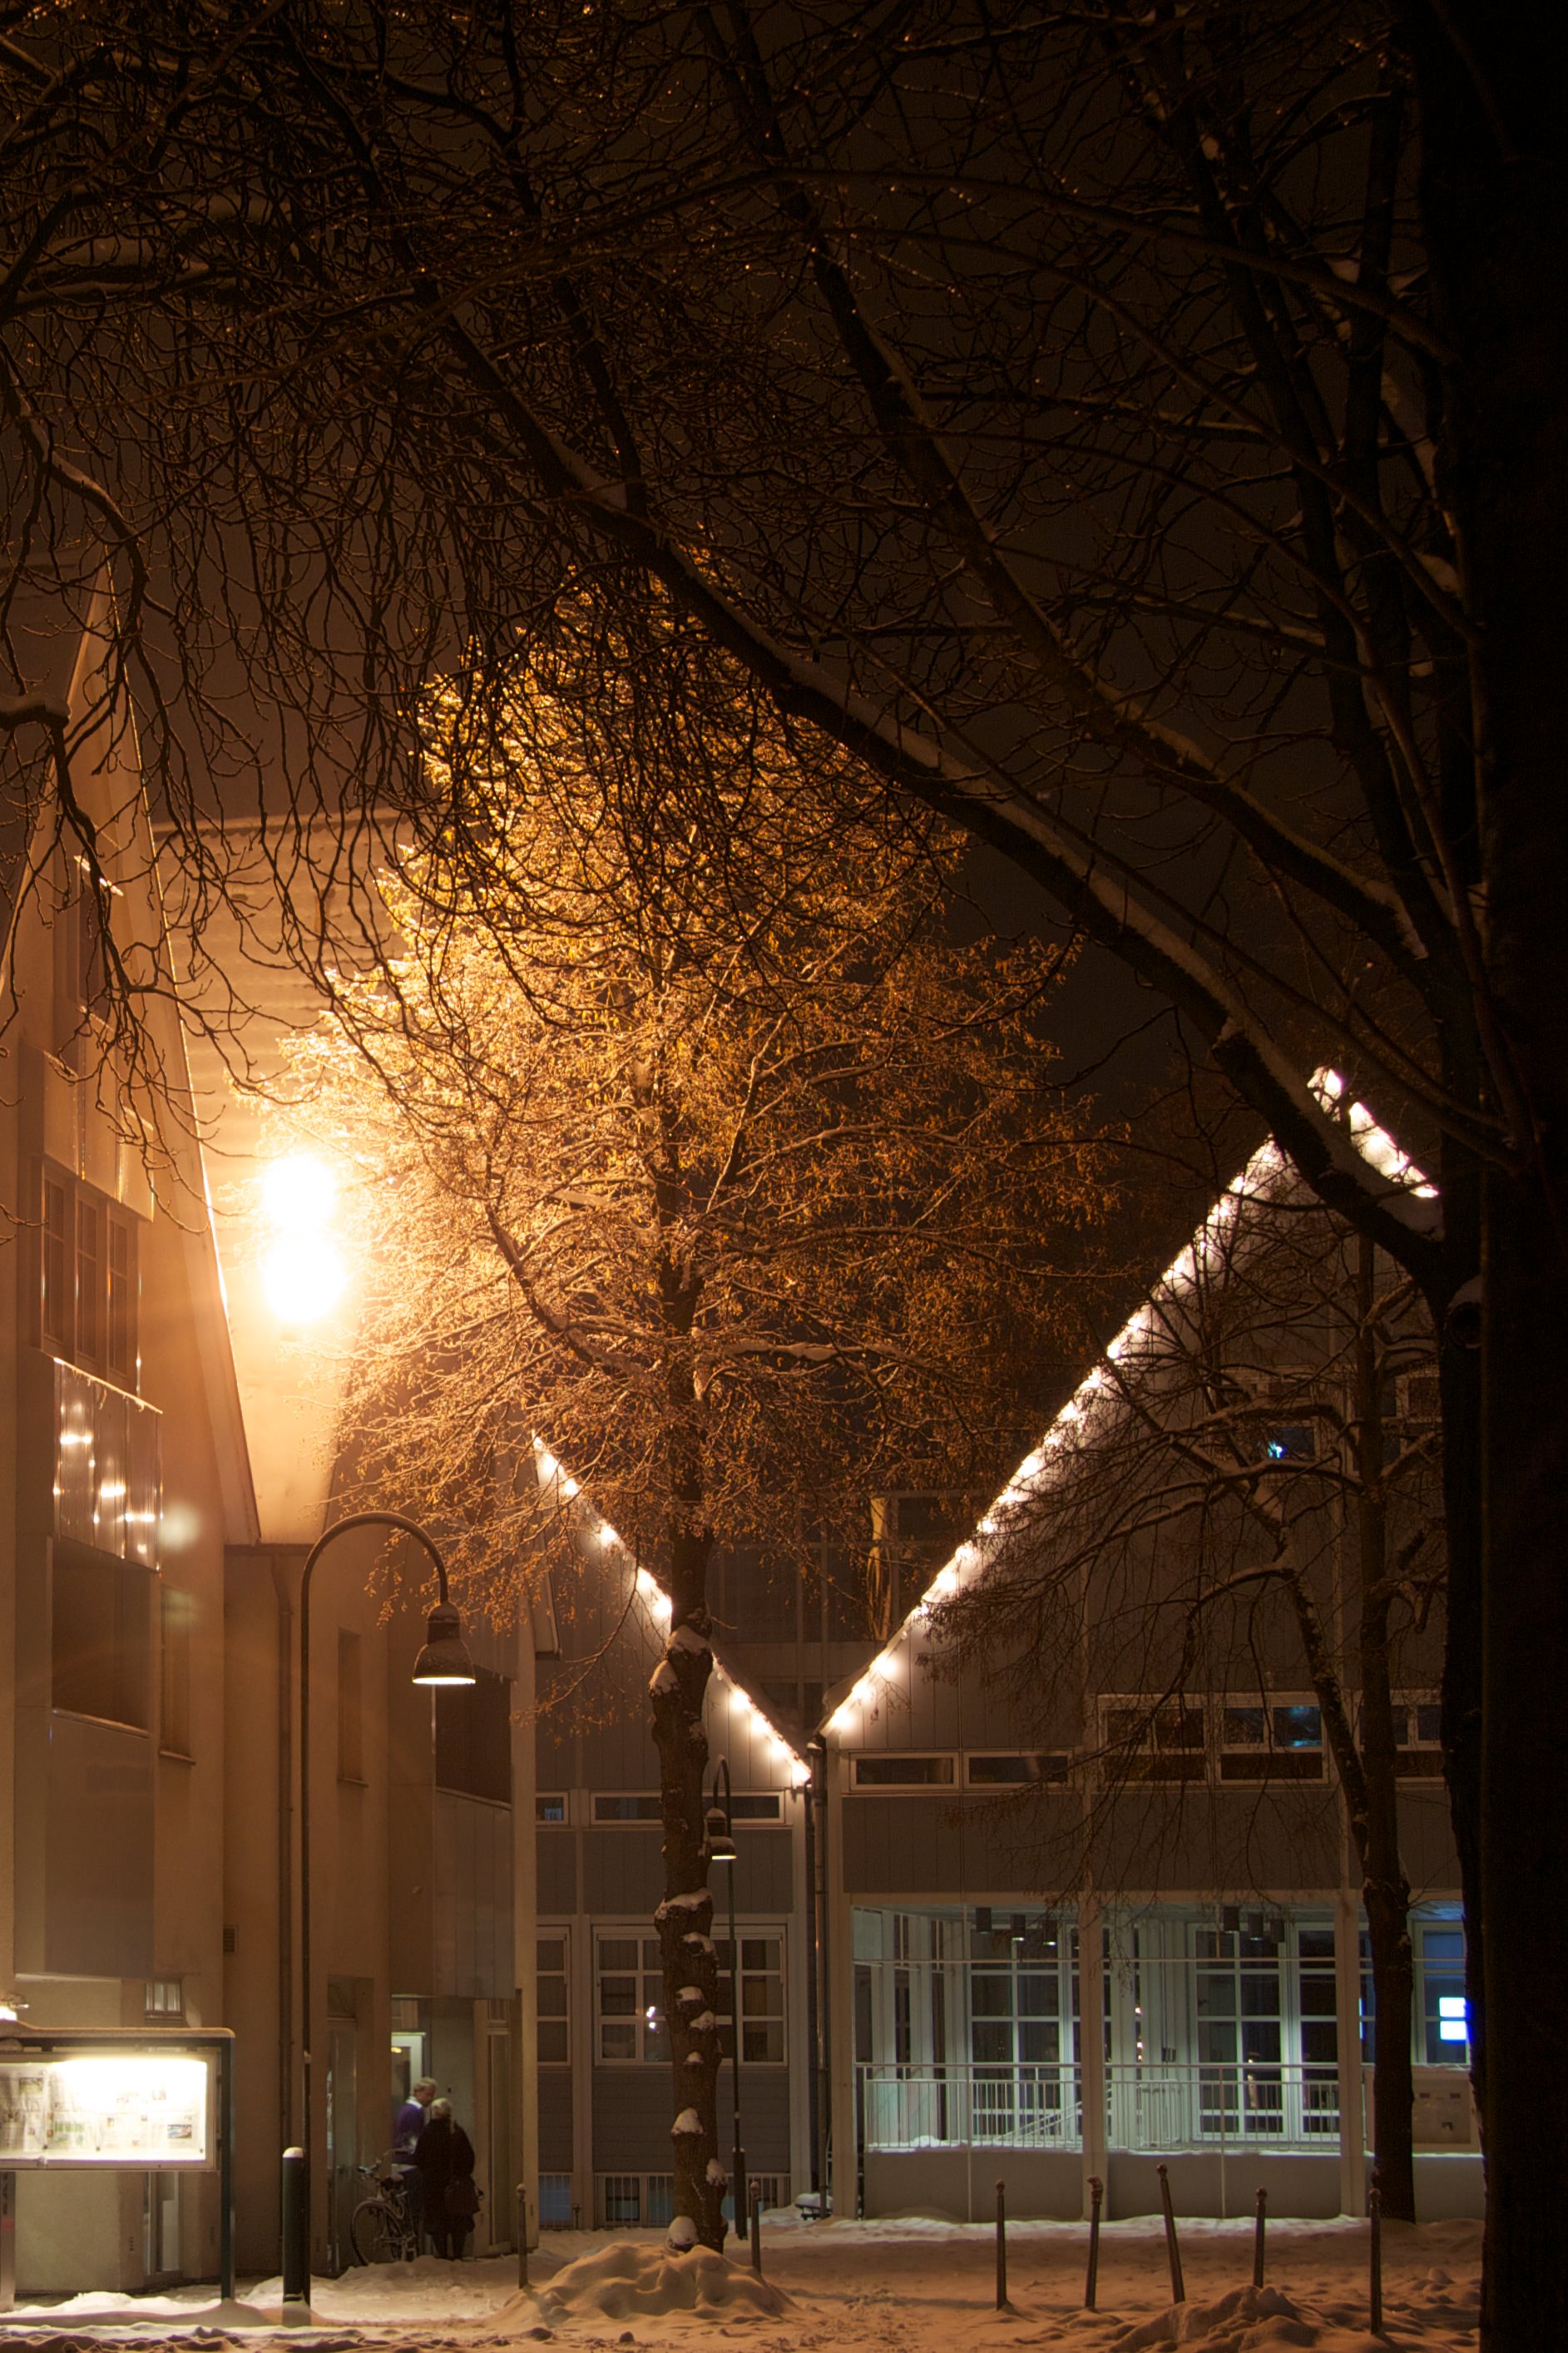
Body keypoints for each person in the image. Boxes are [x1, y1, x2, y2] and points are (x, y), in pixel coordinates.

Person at [413, 2096, 477, 2260]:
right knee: (458, 2221)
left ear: (434, 2113)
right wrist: (462, 2175)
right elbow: (469, 2158)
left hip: (433, 2187)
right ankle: (458, 2254)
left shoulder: (427, 2133)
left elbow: (419, 2159)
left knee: (437, 2223)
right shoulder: (457, 2132)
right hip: (456, 2186)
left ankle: (442, 2254)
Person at [392, 2076, 437, 2255]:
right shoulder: (415, 2111)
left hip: (402, 2162)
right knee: (414, 2208)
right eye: (428, 2094)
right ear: (418, 2092)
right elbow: (414, 2140)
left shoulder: (405, 2110)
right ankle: (413, 2246)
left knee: (407, 2207)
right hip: (410, 2165)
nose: (430, 2099)